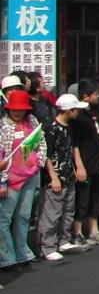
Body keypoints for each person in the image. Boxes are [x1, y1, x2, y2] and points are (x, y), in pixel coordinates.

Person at [37, 95, 92, 260]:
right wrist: (53, 176)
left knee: (68, 209)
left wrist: (77, 167)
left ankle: (64, 240)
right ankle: (47, 247)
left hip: (68, 175)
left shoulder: (69, 127)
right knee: (51, 212)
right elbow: (46, 154)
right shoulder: (51, 128)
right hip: (55, 177)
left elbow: (73, 147)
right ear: (68, 110)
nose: (78, 113)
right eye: (76, 109)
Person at [0, 90, 46, 269]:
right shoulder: (3, 126)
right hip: (10, 179)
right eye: (14, 109)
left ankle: (23, 253)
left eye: (21, 109)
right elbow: (1, 155)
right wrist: (2, 182)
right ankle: (6, 257)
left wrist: (39, 161)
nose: (17, 113)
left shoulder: (32, 121)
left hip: (30, 175)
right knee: (4, 219)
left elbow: (41, 142)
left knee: (24, 217)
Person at [71, 77, 99, 246]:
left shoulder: (96, 110)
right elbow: (74, 143)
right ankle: (78, 232)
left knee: (97, 195)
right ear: (85, 96)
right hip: (85, 161)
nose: (98, 96)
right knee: (82, 197)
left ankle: (94, 230)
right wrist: (79, 165)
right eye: (95, 94)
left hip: (98, 159)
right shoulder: (78, 114)